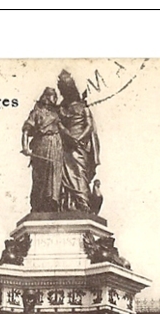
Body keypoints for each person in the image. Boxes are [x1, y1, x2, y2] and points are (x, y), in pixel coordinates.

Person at [56, 70, 100, 212]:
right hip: (64, 145)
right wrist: (67, 136)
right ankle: (67, 205)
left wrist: (78, 139)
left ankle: (83, 203)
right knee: (63, 174)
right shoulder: (61, 109)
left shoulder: (83, 108)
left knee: (79, 173)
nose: (64, 93)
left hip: (79, 146)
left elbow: (89, 126)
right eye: (62, 90)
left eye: (66, 90)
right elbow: (56, 123)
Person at [21, 87, 64, 213]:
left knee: (55, 174)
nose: (53, 98)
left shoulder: (57, 113)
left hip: (56, 144)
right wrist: (25, 147)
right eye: (51, 96)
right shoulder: (36, 112)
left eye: (54, 96)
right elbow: (26, 130)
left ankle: (53, 202)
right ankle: (39, 204)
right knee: (41, 175)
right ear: (45, 97)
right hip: (41, 144)